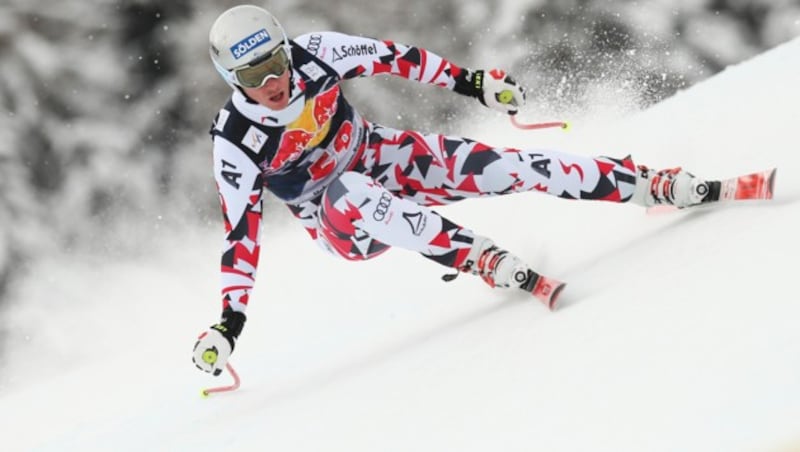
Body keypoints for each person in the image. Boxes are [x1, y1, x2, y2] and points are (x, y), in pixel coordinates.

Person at [192, 5, 716, 376]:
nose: (274, 81)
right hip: (340, 221)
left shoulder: (317, 54)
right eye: (254, 74)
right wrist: (229, 323)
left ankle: (645, 184)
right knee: (351, 189)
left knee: (508, 165)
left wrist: (474, 84)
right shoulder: (235, 141)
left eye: (276, 63)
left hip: (384, 157)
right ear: (231, 77)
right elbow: (242, 236)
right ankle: (477, 256)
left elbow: (400, 58)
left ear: (286, 49)